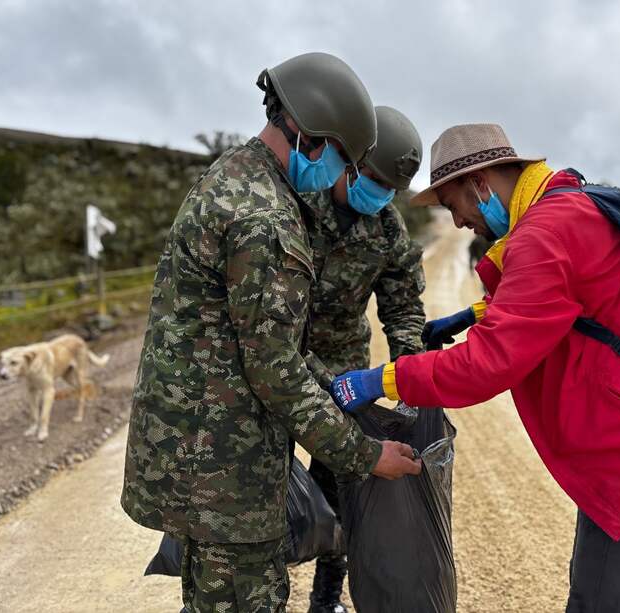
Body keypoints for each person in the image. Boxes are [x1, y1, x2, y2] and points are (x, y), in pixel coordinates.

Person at [328, 123, 620, 613]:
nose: (460, 223)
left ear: (479, 183)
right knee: (592, 596)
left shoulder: (547, 231)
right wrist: (474, 314)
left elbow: (488, 364)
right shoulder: (565, 206)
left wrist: (378, 379)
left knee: (600, 603)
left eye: (452, 205)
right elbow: (563, 301)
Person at [120, 52, 421, 613]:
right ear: (310, 136)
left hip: (199, 450)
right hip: (225, 468)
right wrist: (363, 453)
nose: (339, 175)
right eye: (341, 158)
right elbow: (274, 369)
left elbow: (252, 342)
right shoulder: (268, 219)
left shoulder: (234, 172)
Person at [302, 106, 426, 613]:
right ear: (348, 162)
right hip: (274, 362)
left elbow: (402, 308)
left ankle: (326, 598)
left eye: (387, 189)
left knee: (342, 491)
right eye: (371, 180)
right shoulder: (297, 203)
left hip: (342, 373)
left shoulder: (388, 231)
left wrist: (410, 371)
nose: (375, 194)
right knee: (262, 480)